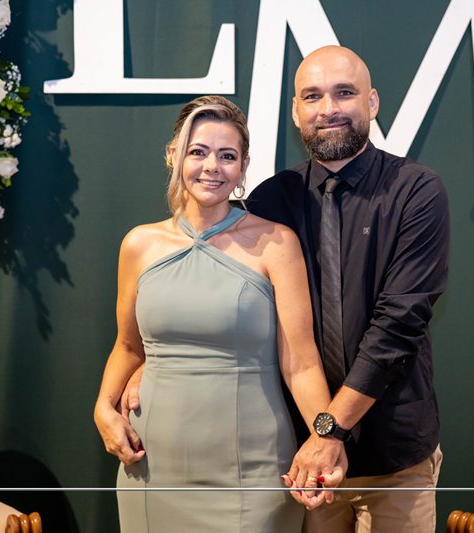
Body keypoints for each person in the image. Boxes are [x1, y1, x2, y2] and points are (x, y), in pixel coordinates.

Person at [125, 45, 449, 532]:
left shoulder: (416, 191)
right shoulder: (270, 200)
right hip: (299, 460)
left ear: (373, 102)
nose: (328, 109)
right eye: (312, 96)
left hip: (392, 454)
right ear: (296, 111)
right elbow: (220, 304)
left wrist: (329, 431)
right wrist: (150, 360)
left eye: (344, 93)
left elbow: (398, 326)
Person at [93, 95, 343, 532]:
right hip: (151, 465)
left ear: (244, 167)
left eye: (227, 156)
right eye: (198, 152)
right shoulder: (139, 245)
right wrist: (103, 407)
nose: (212, 166)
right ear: (174, 156)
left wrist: (326, 439)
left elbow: (301, 364)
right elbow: (129, 347)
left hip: (252, 470)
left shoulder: (276, 243)